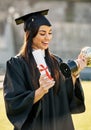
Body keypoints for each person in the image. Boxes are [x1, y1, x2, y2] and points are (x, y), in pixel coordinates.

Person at [3, 9, 87, 130]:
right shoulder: (17, 64)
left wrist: (74, 75)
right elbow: (14, 102)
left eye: (50, 33)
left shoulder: (56, 61)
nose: (48, 38)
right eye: (42, 33)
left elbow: (65, 97)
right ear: (30, 35)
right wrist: (41, 90)